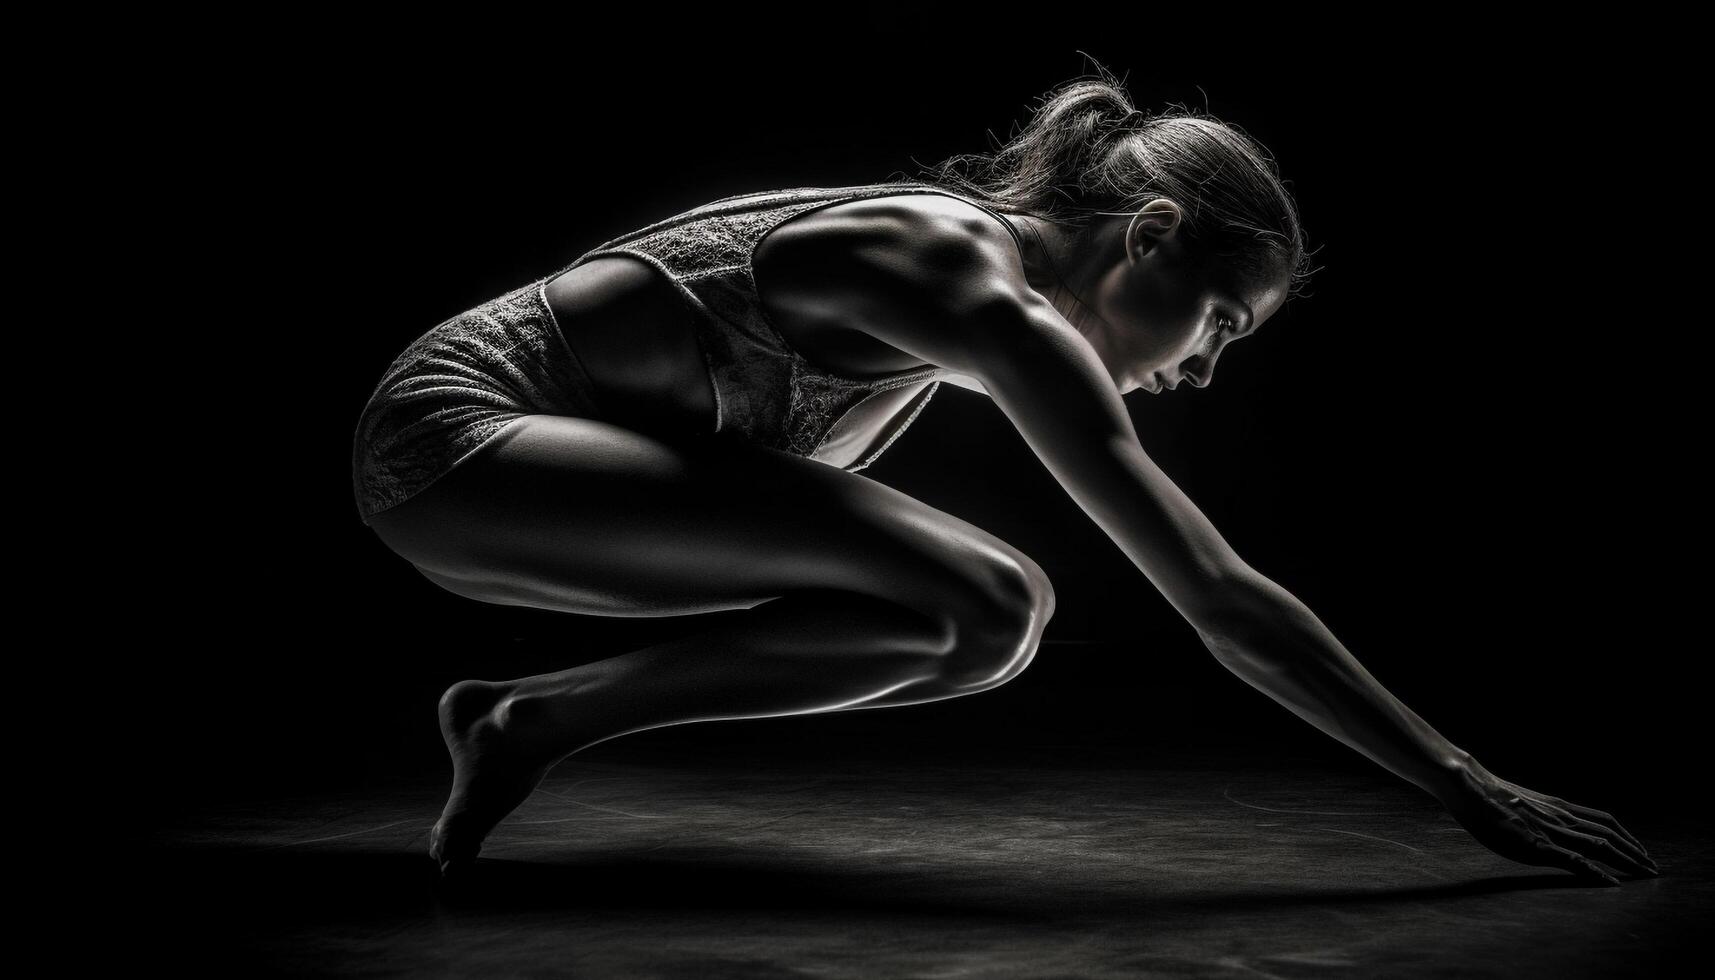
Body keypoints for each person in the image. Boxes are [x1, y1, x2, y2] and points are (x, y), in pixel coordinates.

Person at [352, 71, 1658, 885]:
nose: (1205, 369)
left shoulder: (979, 324)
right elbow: (1212, 592)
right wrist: (1458, 776)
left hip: (528, 497)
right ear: (1150, 234)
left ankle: (532, 724)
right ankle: (527, 724)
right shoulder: (964, 278)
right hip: (457, 443)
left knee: (983, 623)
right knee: (996, 588)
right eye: (1220, 323)